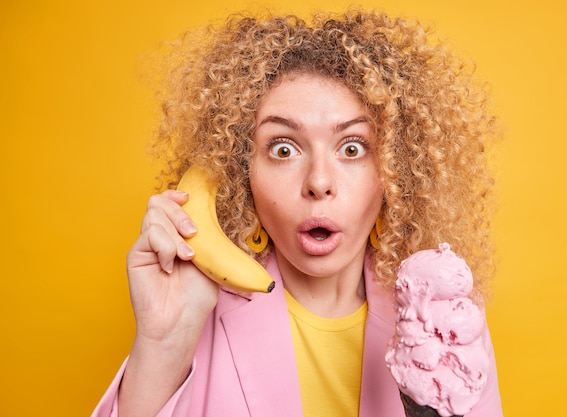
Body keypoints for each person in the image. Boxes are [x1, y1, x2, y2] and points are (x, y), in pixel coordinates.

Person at [92, 8, 503, 417]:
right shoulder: (197, 310)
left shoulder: (442, 320)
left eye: (352, 148)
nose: (319, 181)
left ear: (397, 172)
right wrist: (163, 343)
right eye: (283, 149)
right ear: (241, 173)